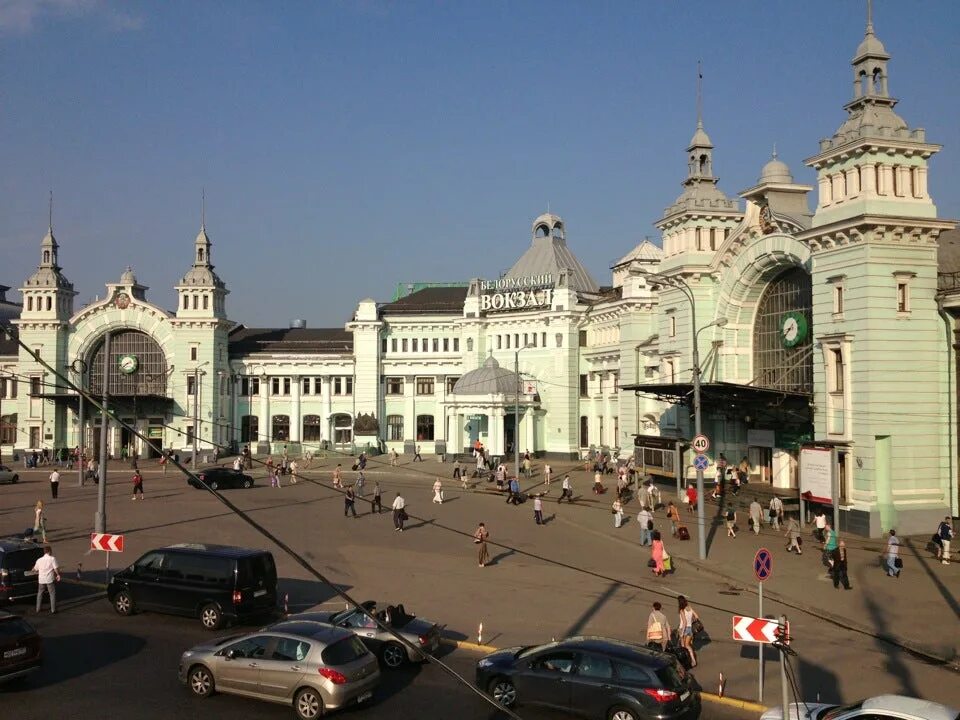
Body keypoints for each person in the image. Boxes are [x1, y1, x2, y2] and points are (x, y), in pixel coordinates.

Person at [32, 545, 60, 614]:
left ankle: (38, 609)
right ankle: (53, 610)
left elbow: (34, 569)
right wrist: (58, 574)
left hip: (41, 580)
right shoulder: (52, 559)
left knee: (40, 594)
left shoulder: (39, 560)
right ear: (49, 551)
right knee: (52, 594)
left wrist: (32, 569)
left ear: (44, 552)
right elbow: (56, 568)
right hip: (49, 579)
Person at [677, 596, 699, 667]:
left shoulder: (682, 610)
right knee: (688, 646)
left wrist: (682, 633)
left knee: (683, 647)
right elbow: (697, 617)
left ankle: (685, 662)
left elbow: (684, 622)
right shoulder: (690, 608)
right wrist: (692, 621)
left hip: (684, 629)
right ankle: (693, 660)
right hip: (690, 629)